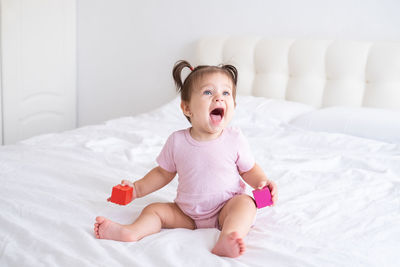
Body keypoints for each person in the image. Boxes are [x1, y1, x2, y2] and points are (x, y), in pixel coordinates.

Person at [94, 60, 277, 258]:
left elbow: (248, 169)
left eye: (226, 93)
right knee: (154, 210)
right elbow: (162, 173)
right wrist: (136, 189)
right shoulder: (177, 141)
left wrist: (261, 183)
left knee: (246, 204)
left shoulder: (234, 138)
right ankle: (132, 232)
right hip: (186, 213)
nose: (219, 98)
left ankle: (229, 236)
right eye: (208, 92)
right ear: (187, 108)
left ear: (234, 105)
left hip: (225, 207)